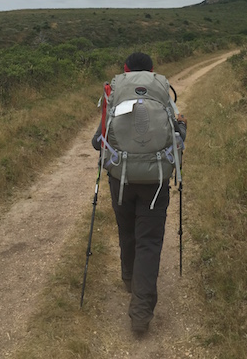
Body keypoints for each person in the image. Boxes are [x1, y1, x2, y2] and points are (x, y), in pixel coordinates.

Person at [92, 52, 187, 335]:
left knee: (127, 230)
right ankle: (141, 312)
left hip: (120, 177)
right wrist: (183, 125)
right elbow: (178, 137)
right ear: (153, 70)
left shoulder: (114, 92)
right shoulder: (162, 90)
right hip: (156, 180)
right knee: (149, 241)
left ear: (125, 70)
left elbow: (98, 141)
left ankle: (128, 277)